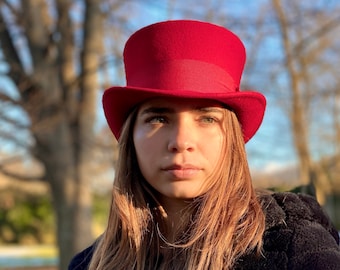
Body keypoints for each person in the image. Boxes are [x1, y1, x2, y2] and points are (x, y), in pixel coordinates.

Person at [68, 20, 340, 270]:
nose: (181, 142)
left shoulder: (296, 249)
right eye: (159, 118)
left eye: (208, 118)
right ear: (130, 138)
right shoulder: (89, 264)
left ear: (232, 139)